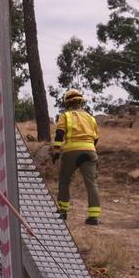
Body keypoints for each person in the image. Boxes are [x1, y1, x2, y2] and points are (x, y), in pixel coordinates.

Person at [51, 89, 101, 225]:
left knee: (64, 180)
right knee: (91, 183)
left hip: (71, 151)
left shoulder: (65, 115)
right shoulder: (91, 118)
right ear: (81, 102)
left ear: (67, 103)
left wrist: (56, 151)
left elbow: (60, 134)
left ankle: (62, 211)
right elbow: (96, 138)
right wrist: (90, 148)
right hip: (90, 150)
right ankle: (93, 217)